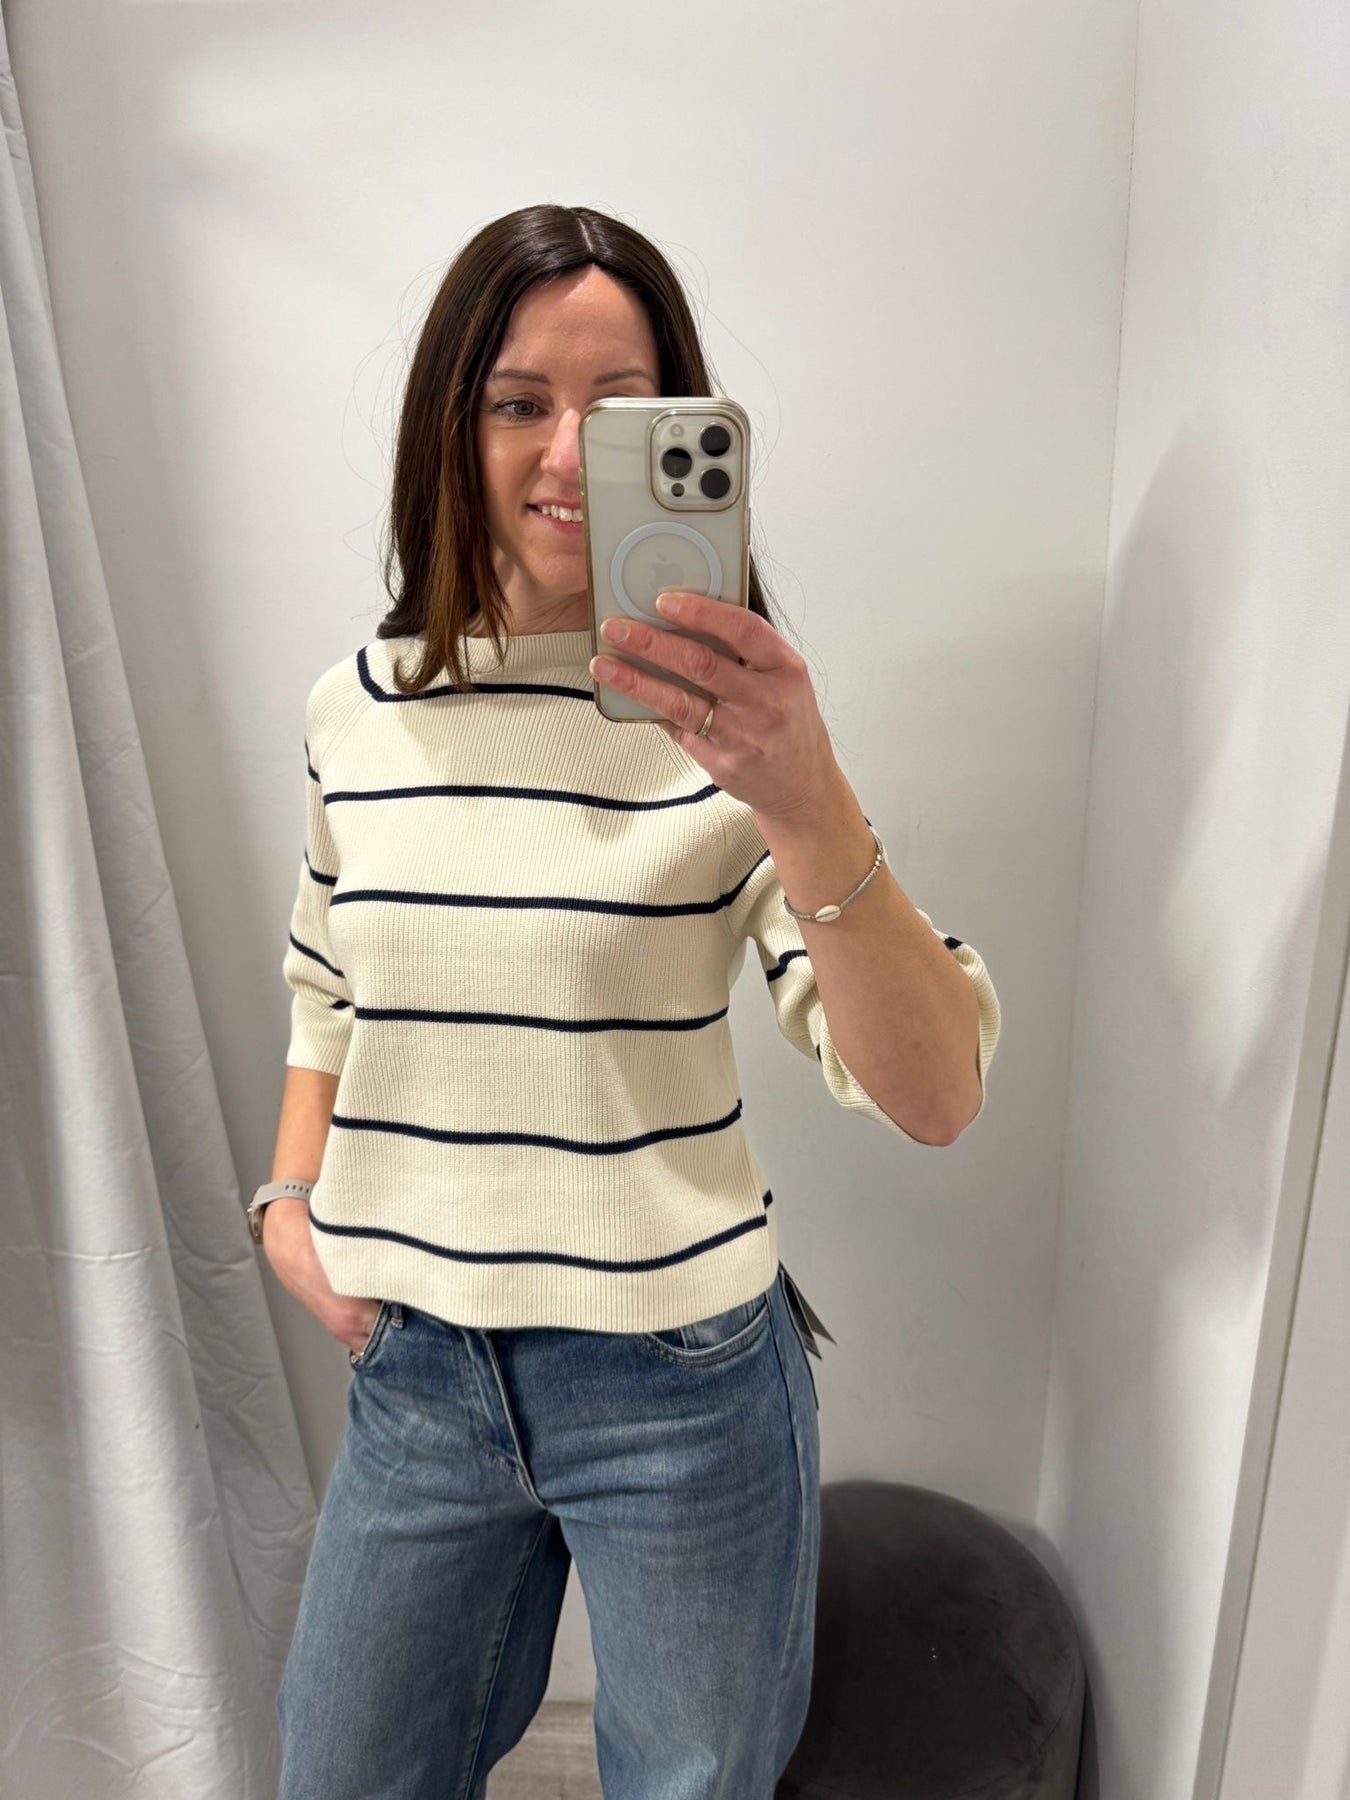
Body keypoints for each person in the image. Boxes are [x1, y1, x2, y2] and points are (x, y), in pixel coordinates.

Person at [260, 203, 1001, 1800]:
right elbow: (326, 976)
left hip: (675, 1379)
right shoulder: (355, 710)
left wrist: (805, 797)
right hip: (418, 1373)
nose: (564, 455)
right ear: (447, 428)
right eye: (518, 402)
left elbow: (935, 1094)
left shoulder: (735, 728)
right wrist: (288, 1198)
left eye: (620, 410)